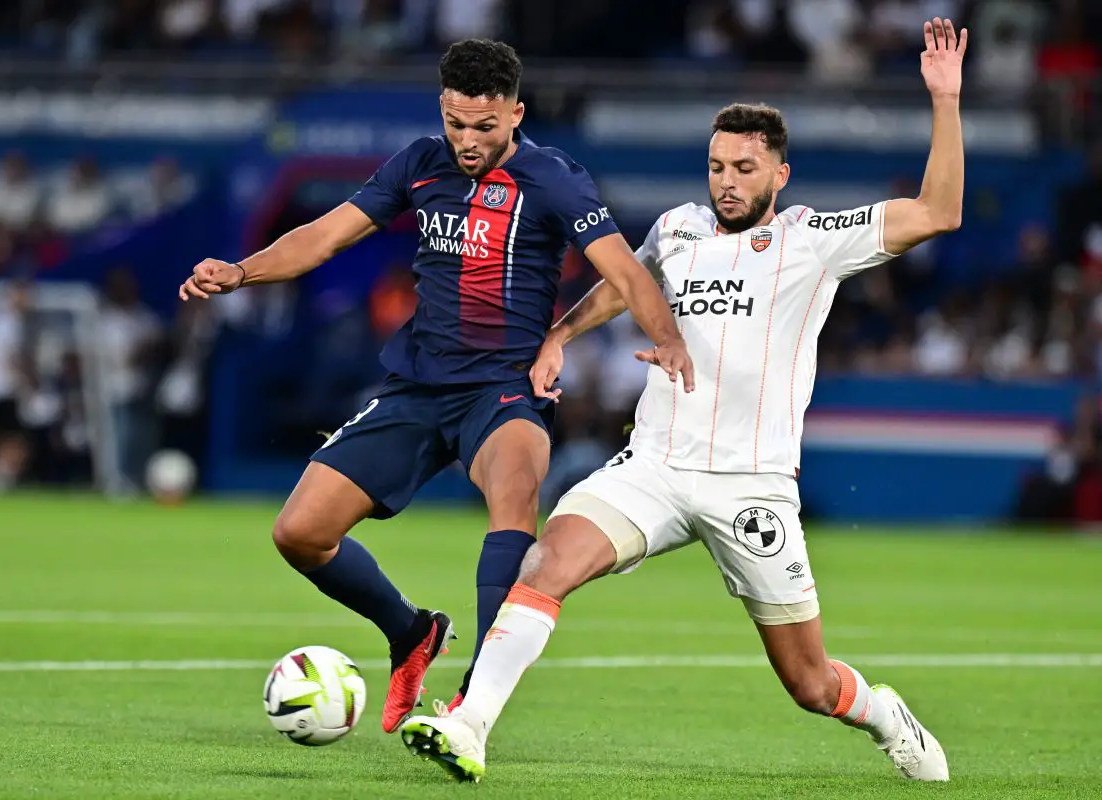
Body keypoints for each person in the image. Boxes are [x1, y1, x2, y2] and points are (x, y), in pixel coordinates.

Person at [401, 18, 967, 783]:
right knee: (549, 560)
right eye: (716, 166)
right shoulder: (678, 230)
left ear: (780, 176)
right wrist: (560, 334)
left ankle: (882, 714)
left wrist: (945, 100)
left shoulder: (813, 239)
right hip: (654, 468)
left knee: (809, 683)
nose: (726, 181)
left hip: (750, 484)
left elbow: (938, 212)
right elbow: (622, 286)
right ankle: (469, 725)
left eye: (743, 167)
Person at [179, 38, 693, 734]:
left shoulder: (553, 179)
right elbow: (326, 235)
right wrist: (240, 270)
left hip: (502, 389)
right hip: (417, 387)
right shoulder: (420, 163)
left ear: (516, 112)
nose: (468, 139)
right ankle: (409, 631)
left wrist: (664, 336)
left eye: (484, 126)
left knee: (515, 498)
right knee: (299, 532)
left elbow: (626, 271)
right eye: (456, 122)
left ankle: (474, 703)